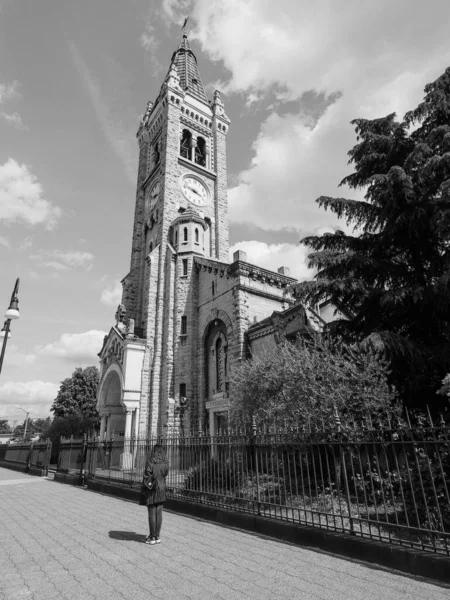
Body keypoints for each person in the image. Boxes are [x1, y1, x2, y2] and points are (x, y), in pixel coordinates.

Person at [139, 444, 169, 545]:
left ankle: (152, 537)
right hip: (161, 488)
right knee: (159, 513)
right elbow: (165, 474)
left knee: (152, 512)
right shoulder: (165, 462)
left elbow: (146, 475)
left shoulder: (150, 462)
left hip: (152, 489)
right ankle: (157, 536)